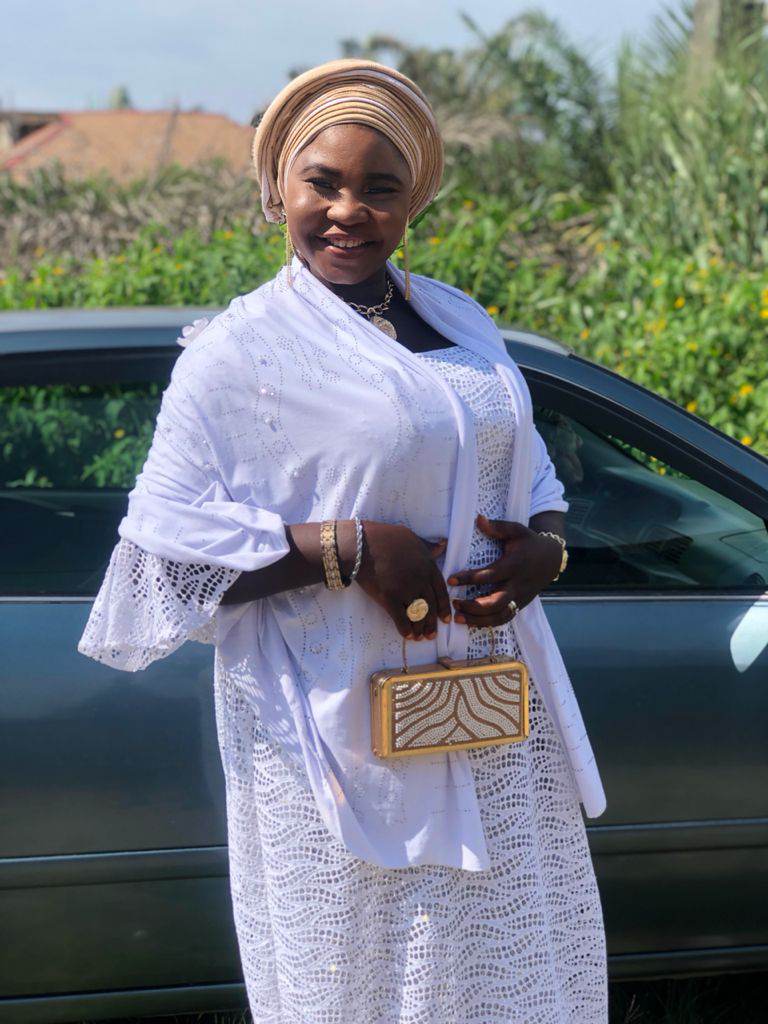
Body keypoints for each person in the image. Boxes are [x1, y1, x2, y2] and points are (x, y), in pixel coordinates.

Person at [78, 58, 609, 1024]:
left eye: (380, 188)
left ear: (415, 200)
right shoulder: (243, 352)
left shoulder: (458, 318)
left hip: (483, 714)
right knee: (369, 982)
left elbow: (527, 466)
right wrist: (349, 548)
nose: (348, 212)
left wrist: (546, 544)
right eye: (322, 182)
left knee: (504, 974)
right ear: (276, 184)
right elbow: (161, 554)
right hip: (333, 728)